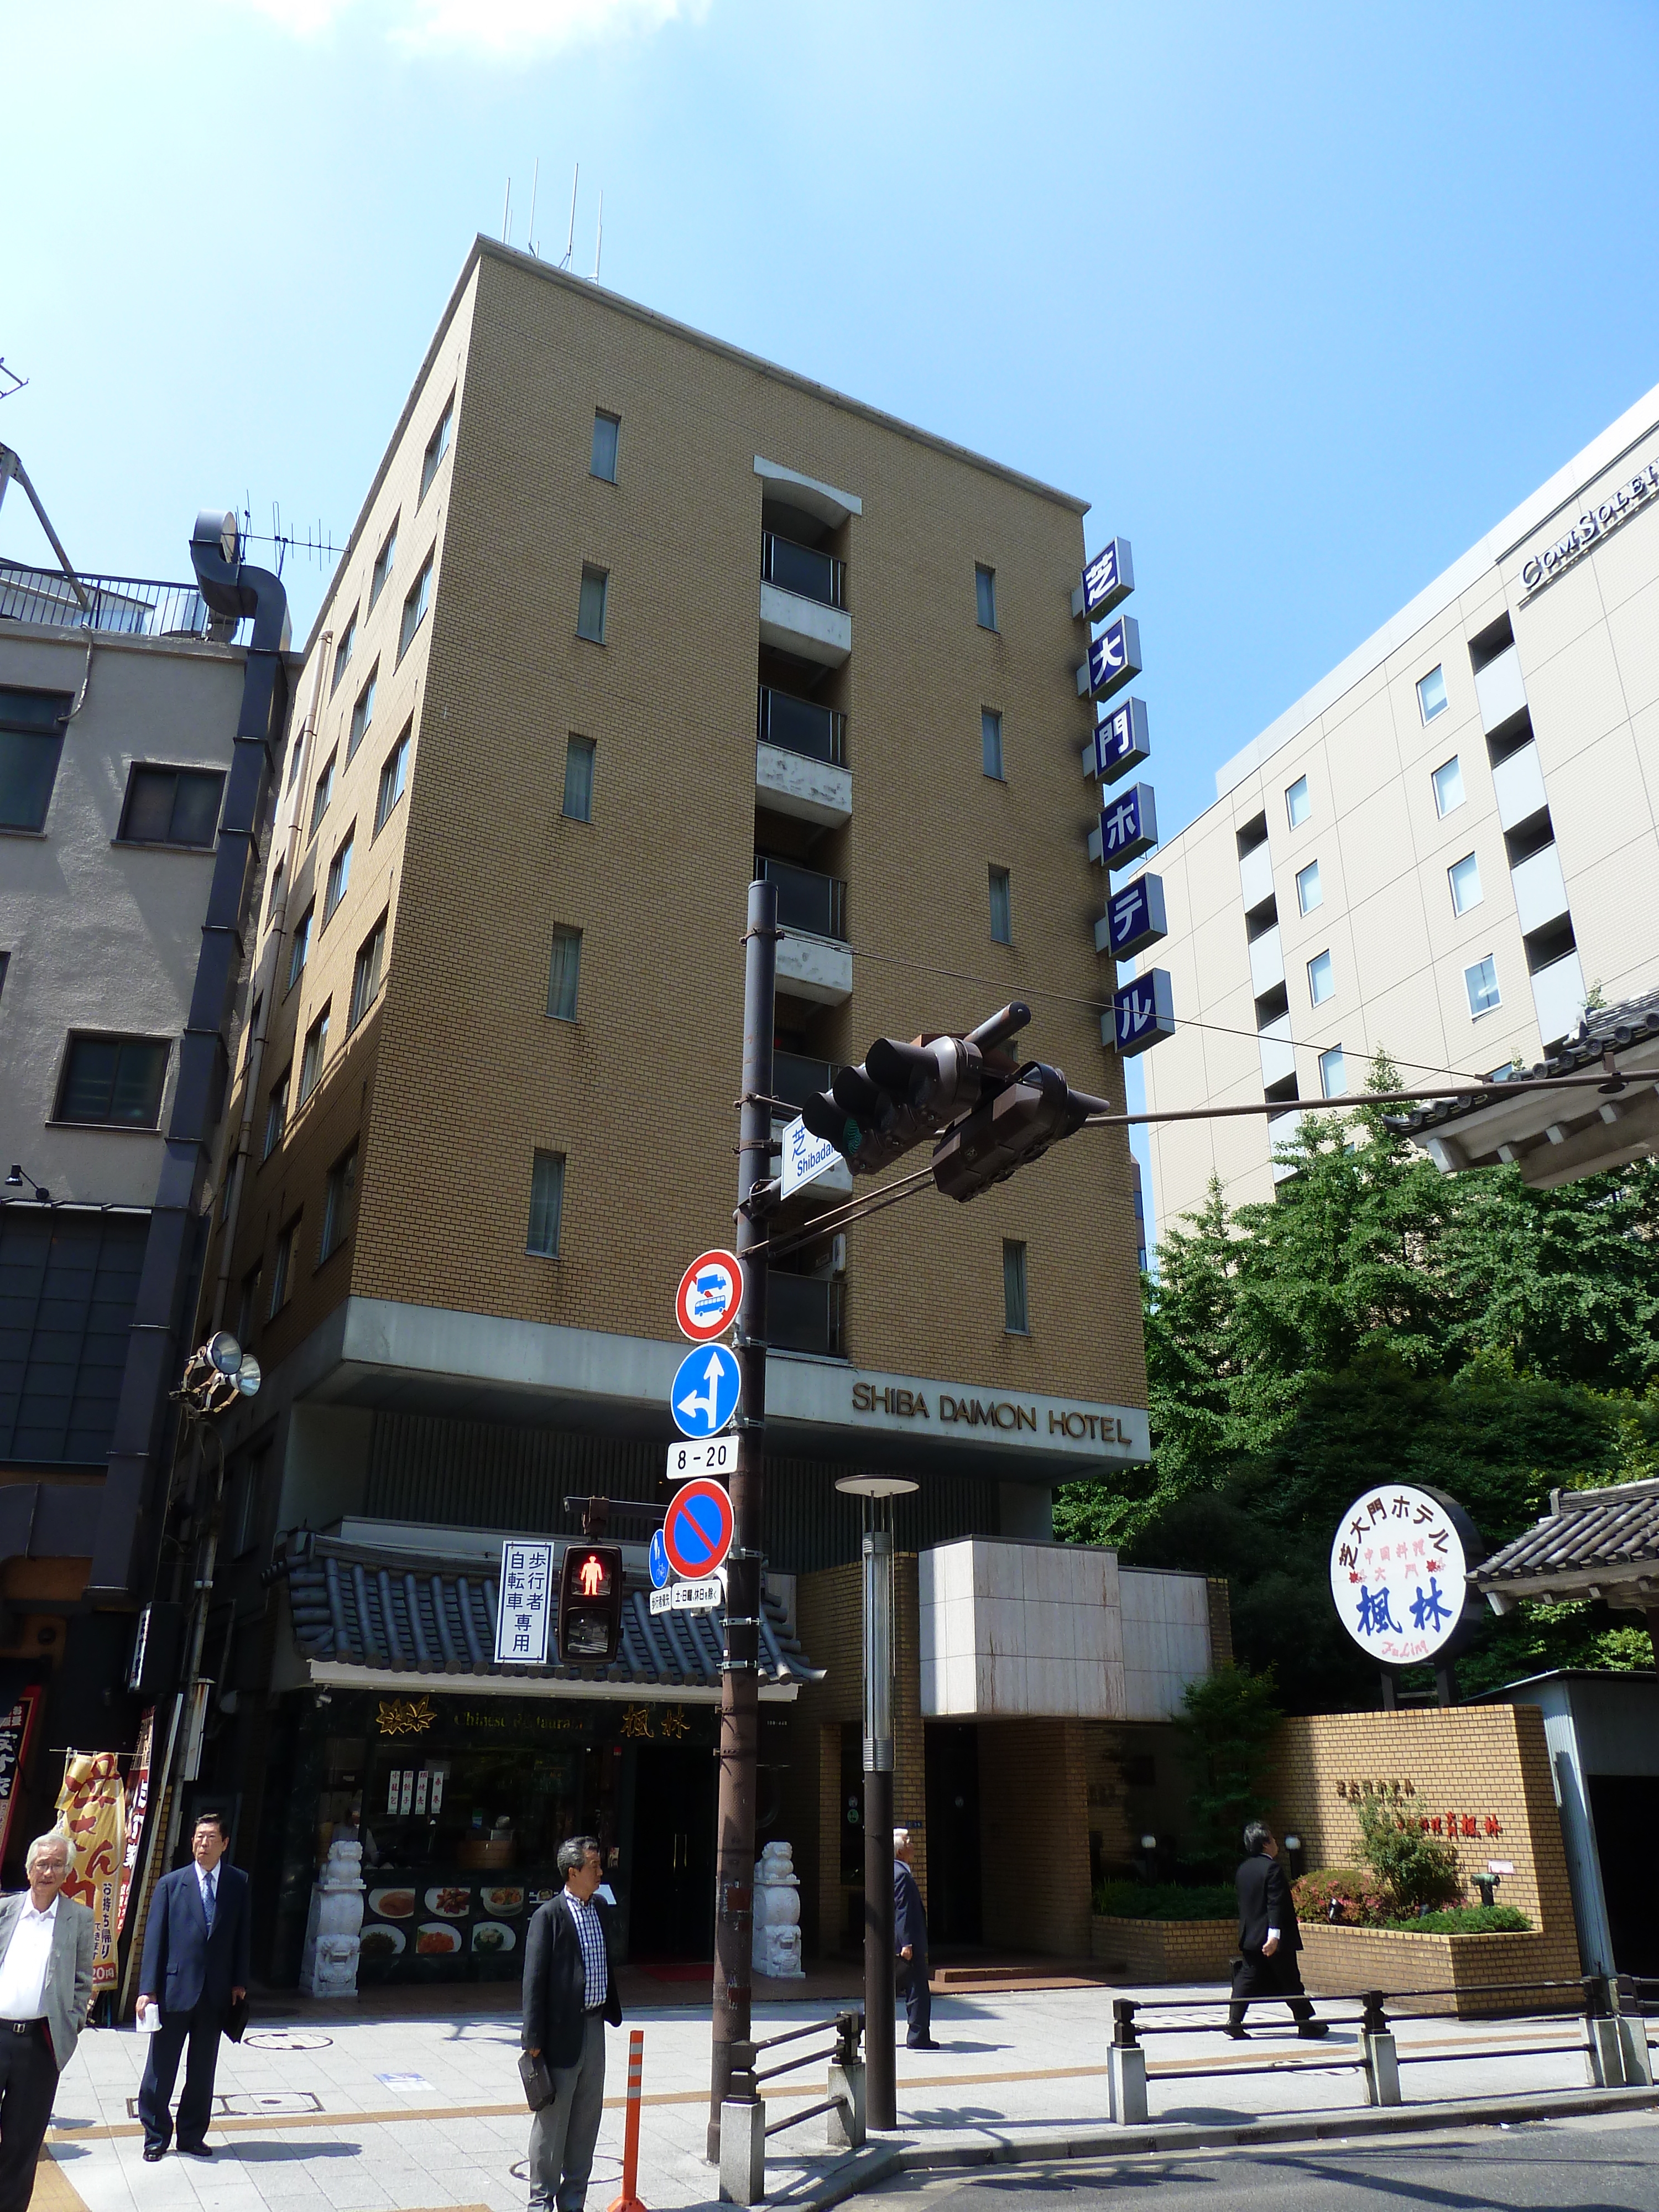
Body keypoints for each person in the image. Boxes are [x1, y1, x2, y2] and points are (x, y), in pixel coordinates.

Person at [135, 1810, 251, 2161]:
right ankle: (155, 2136)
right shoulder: (172, 1884)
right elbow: (154, 1938)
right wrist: (147, 1989)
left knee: (203, 2070)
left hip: (215, 1994)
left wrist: (239, 1982)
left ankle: (191, 2135)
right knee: (161, 2067)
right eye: (198, 1837)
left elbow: (242, 1935)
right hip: (175, 1991)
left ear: (225, 1843)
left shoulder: (238, 1882)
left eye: (210, 1838)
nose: (202, 1843)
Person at [521, 1835, 621, 2212]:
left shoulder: (599, 1908)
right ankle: (541, 2201)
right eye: (594, 1866)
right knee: (553, 2121)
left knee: (586, 2118)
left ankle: (574, 2198)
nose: (600, 1872)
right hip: (560, 2032)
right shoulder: (549, 1916)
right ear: (573, 1871)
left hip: (594, 2026)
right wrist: (533, 2039)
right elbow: (534, 1980)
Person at [0, 1832, 94, 2212]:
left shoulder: (80, 1919)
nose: (48, 1871)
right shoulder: (5, 1911)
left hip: (41, 2041)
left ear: (67, 1871)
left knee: (22, 2144)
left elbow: (82, 1983)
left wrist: (69, 2028)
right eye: (42, 1863)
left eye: (57, 1864)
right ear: (28, 1869)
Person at [1227, 1820, 1327, 2039]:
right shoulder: (1272, 1868)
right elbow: (1275, 1903)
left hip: (1250, 1935)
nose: (1276, 1843)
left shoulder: (1244, 1869)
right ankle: (1305, 2024)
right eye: (1272, 1839)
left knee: (1247, 1978)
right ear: (1265, 1844)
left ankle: (1234, 2021)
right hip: (1273, 1939)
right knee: (1291, 1979)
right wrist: (1274, 1936)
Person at [893, 1829, 937, 2051]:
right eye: (909, 1842)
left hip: (899, 1945)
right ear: (900, 1851)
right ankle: (918, 2035)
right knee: (918, 1990)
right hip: (907, 1947)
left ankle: (864, 2025)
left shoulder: (893, 1872)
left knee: (890, 1988)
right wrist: (907, 1943)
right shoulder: (901, 1875)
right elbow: (903, 1911)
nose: (913, 1845)